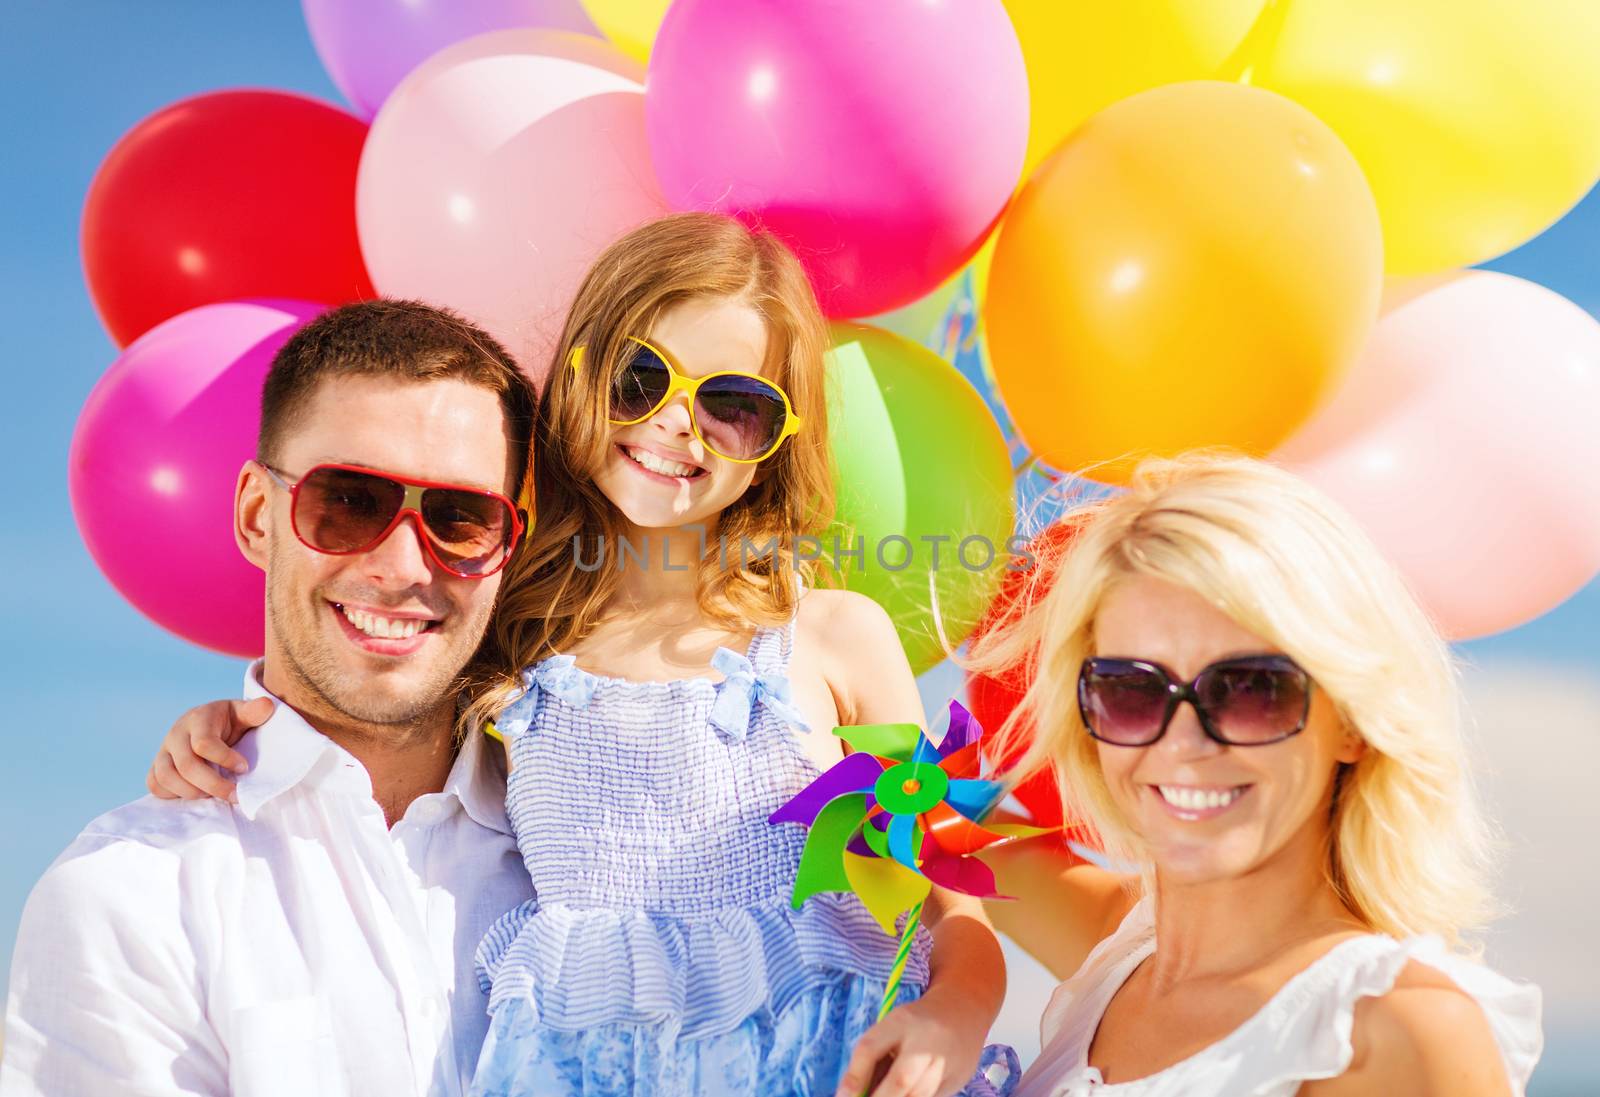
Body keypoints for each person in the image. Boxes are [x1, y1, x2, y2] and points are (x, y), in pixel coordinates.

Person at [0, 300, 540, 1097]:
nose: (402, 566)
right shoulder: (130, 895)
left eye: (460, 518)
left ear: (505, 550)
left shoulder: (594, 856)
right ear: (259, 516)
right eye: (350, 500)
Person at [967, 453, 1543, 1096]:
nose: (1182, 742)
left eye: (1249, 690)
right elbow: (910, 812)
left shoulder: (1395, 1030)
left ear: (1353, 721)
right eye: (1131, 689)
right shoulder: (1118, 954)